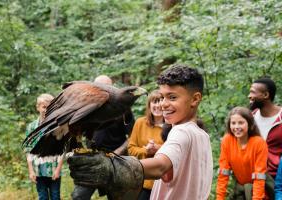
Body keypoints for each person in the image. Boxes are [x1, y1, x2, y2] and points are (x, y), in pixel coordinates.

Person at [67, 65, 213, 200]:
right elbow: (172, 175)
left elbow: (160, 166)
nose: (164, 103)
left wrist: (112, 167)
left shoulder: (180, 132)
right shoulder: (202, 135)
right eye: (162, 97)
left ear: (195, 99)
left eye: (172, 97)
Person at [71, 75, 135, 200]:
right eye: (97, 87)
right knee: (79, 196)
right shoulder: (87, 105)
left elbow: (132, 136)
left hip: (116, 160)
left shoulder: (123, 108)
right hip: (93, 159)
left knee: (117, 197)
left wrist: (118, 152)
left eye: (107, 87)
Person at [216, 107, 268, 199]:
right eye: (233, 123)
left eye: (241, 123)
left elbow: (259, 177)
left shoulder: (259, 143)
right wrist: (219, 198)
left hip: (260, 190)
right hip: (240, 188)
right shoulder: (227, 140)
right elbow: (223, 173)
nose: (236, 127)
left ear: (250, 124)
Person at [127, 90, 164, 200]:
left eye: (161, 101)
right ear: (149, 105)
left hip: (163, 182)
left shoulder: (172, 127)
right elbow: (131, 149)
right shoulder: (140, 123)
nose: (158, 105)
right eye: (155, 102)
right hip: (142, 180)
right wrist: (146, 151)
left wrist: (157, 148)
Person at [25, 93, 63, 200]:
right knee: (42, 197)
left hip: (53, 169)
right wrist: (31, 170)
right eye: (44, 107)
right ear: (38, 107)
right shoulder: (32, 127)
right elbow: (29, 150)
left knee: (55, 197)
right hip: (38, 171)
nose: (47, 110)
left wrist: (58, 169)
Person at [248, 77, 282, 180]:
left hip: (278, 180)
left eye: (253, 92)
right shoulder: (250, 119)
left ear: (266, 95)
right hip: (255, 178)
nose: (249, 96)